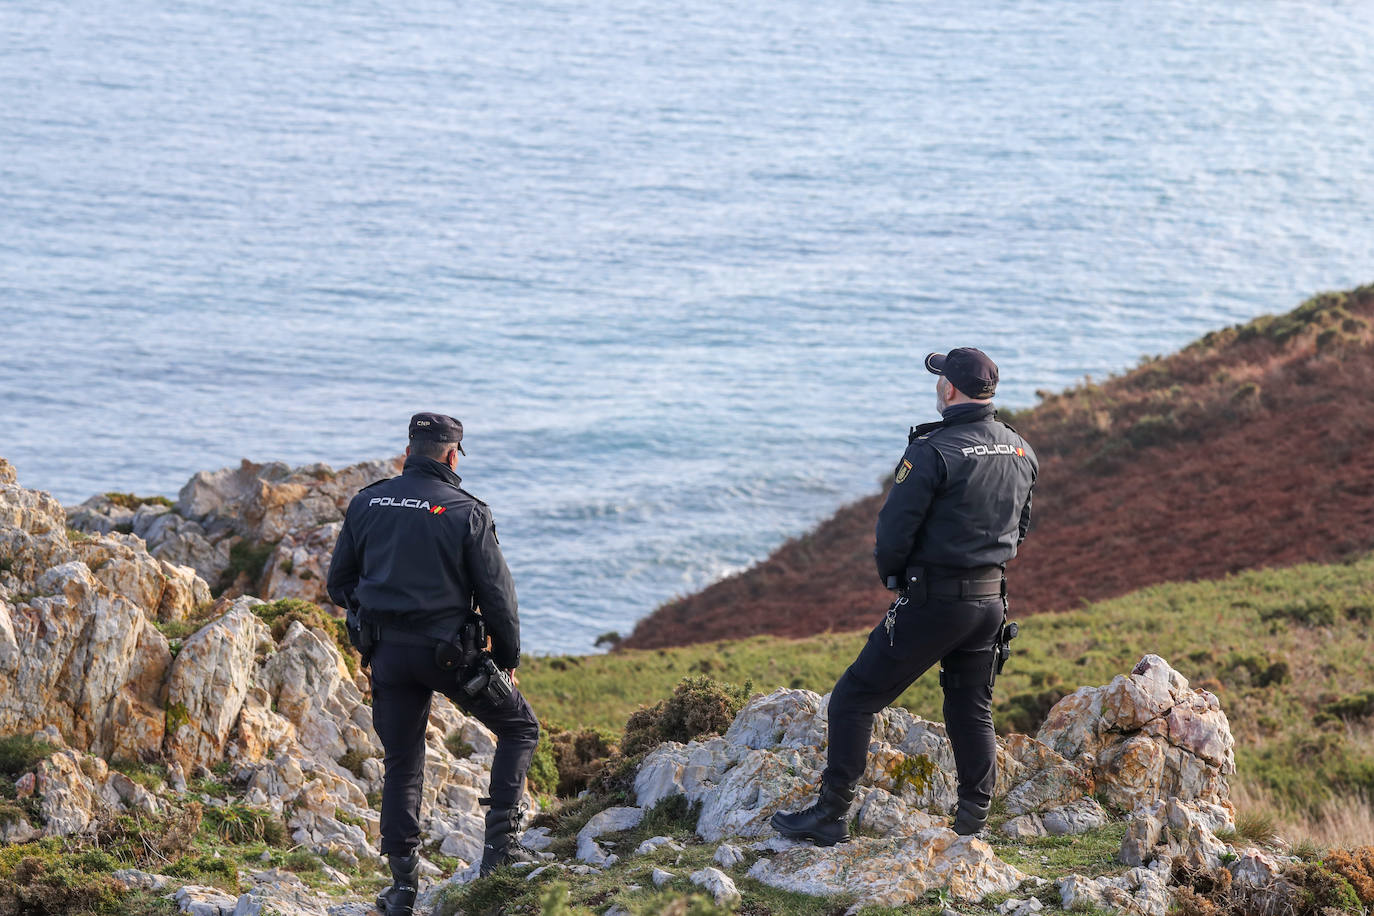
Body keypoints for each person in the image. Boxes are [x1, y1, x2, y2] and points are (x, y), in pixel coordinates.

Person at [772, 347, 1037, 844]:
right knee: (970, 708)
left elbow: (894, 531)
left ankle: (830, 816)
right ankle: (971, 825)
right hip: (991, 601)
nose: (937, 385)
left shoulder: (933, 450)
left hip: (936, 601)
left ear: (949, 389)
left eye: (940, 379)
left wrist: (895, 577)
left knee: (852, 699)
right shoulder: (1022, 449)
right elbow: (1020, 529)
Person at [326, 413, 540, 916]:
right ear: (451, 455)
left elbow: (339, 584)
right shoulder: (467, 512)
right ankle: (500, 854)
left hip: (387, 656)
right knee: (520, 727)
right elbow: (499, 601)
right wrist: (506, 660)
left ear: (409, 450)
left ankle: (402, 889)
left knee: (403, 762)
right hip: (452, 658)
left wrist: (380, 612)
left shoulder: (367, 501)